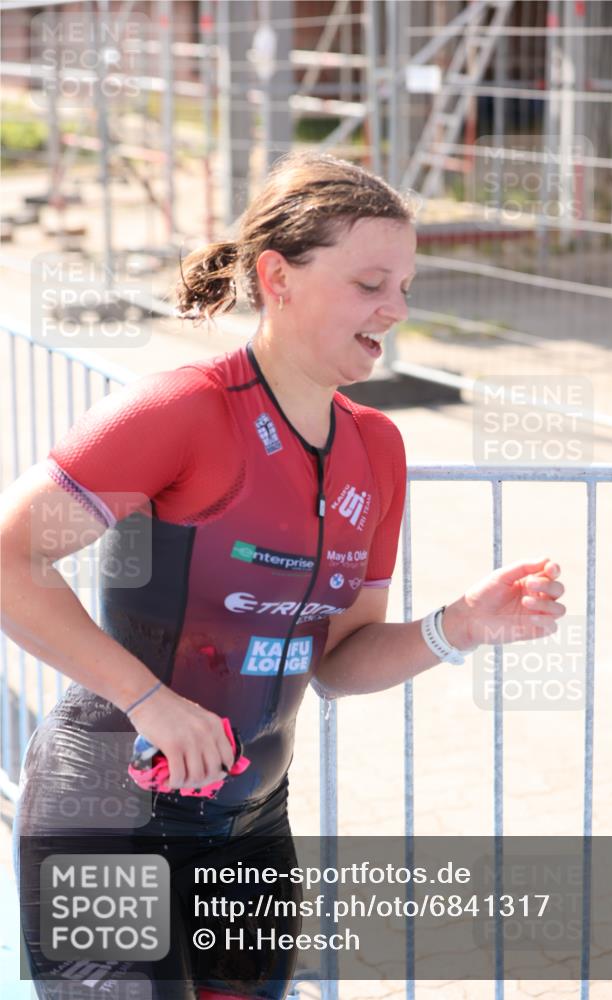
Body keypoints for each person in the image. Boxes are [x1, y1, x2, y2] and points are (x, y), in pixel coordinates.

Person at [0, 152, 566, 1000]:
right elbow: (11, 557)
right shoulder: (181, 411)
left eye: (405, 285)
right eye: (370, 281)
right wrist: (150, 700)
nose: (396, 308)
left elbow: (337, 663)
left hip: (252, 819)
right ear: (278, 276)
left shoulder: (376, 448)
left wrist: (458, 627)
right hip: (107, 813)